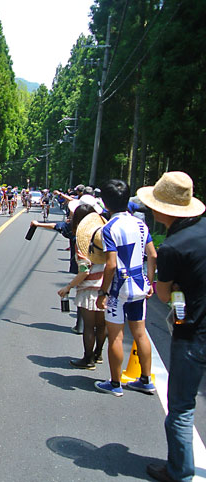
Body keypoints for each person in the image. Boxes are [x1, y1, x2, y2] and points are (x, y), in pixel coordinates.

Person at [136, 172, 206, 482]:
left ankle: (179, 471)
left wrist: (156, 272)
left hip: (192, 334)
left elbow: (163, 295)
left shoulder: (173, 246)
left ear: (164, 210)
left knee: (181, 408)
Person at [94, 179, 157, 397]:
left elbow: (110, 264)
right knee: (140, 333)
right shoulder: (141, 224)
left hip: (119, 289)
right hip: (140, 284)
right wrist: (149, 282)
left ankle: (115, 383)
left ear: (106, 202)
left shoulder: (109, 228)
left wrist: (102, 292)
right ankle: (146, 380)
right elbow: (153, 254)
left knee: (116, 336)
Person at [60, 208, 107, 369]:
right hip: (105, 286)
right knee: (101, 325)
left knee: (89, 326)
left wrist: (68, 287)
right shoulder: (104, 237)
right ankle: (98, 354)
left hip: (89, 289)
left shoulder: (83, 242)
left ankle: (88, 359)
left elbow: (84, 270)